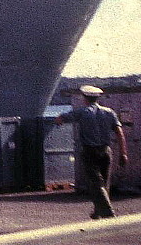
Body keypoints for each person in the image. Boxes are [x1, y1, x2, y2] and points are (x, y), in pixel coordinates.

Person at [55, 85, 128, 219]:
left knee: (95, 183)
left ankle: (108, 214)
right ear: (98, 98)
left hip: (89, 151)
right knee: (104, 182)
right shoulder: (109, 112)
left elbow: (61, 119)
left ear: (84, 98)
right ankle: (97, 211)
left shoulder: (82, 112)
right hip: (106, 151)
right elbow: (119, 133)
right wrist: (123, 153)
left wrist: (58, 120)